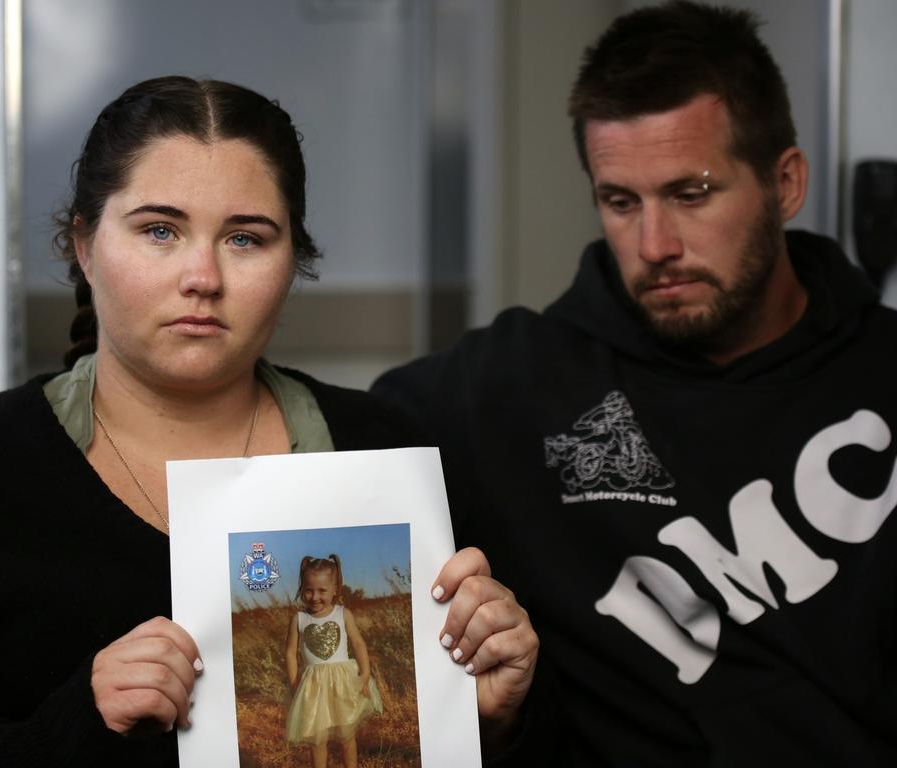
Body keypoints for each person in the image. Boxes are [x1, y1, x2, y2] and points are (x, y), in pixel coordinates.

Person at [0, 76, 537, 766]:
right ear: (84, 244)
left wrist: (492, 720)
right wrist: (76, 725)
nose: (203, 276)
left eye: (245, 239)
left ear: (293, 262)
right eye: (159, 230)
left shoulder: (392, 463)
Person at [372, 2, 897, 764]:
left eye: (692, 194)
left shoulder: (882, 369)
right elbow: (300, 445)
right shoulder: (513, 385)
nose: (655, 245)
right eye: (621, 202)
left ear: (785, 183)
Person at [284, 554, 382, 768]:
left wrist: (364, 675)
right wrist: (293, 682)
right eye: (309, 590)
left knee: (347, 736)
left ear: (335, 588)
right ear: (302, 588)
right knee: (317, 739)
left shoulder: (342, 614)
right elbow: (290, 653)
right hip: (313, 687)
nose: (314, 597)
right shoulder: (298, 619)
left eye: (322, 591)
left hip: (343, 683)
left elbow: (358, 644)